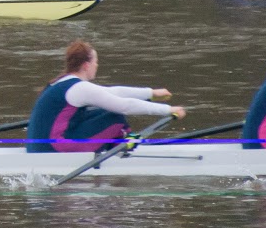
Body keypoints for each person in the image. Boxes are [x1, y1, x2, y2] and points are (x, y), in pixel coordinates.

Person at [26, 41, 185, 153]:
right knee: (115, 117)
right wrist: (168, 110)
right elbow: (125, 106)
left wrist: (151, 93)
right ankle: (121, 148)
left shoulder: (63, 82)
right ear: (86, 65)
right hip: (53, 149)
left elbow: (112, 92)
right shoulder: (79, 87)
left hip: (38, 147)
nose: (97, 65)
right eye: (96, 61)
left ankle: (117, 146)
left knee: (100, 113)